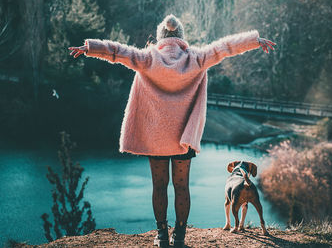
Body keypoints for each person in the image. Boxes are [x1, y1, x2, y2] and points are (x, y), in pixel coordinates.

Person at [69, 14, 275, 247]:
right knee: (181, 187)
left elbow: (119, 52)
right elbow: (224, 48)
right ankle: (179, 235)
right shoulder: (196, 58)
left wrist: (90, 47)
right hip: (182, 140)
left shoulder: (147, 58)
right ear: (182, 38)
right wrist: (254, 40)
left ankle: (161, 235)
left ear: (160, 38)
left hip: (156, 139)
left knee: (159, 186)